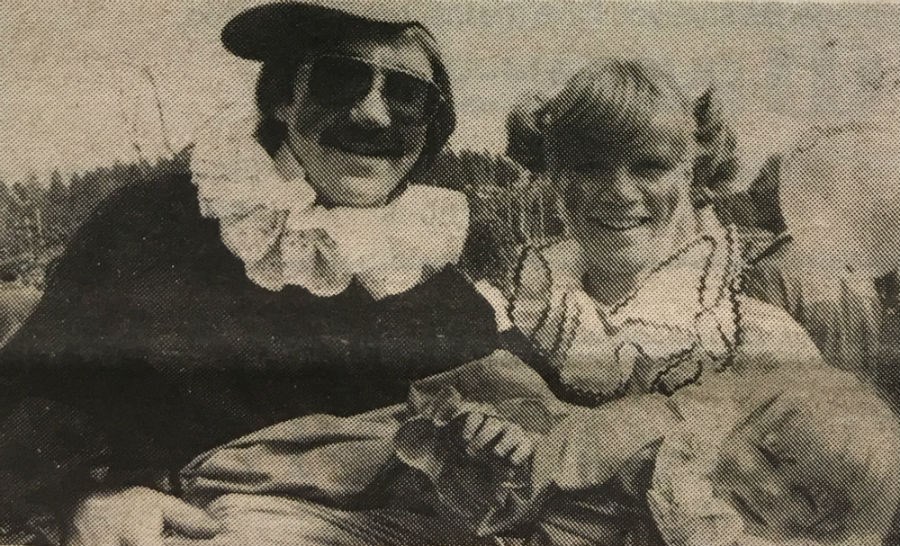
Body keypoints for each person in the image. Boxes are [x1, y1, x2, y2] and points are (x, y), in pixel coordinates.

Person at [0, 2, 500, 544]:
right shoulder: (155, 224)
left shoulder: (423, 266)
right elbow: (24, 394)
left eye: (405, 95)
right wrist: (83, 498)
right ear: (283, 99)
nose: (373, 116)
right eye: (340, 79)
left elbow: (508, 410)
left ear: (430, 127)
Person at [490, 58, 822, 408]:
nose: (621, 192)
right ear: (558, 178)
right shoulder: (509, 324)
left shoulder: (759, 340)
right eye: (591, 168)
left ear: (688, 174)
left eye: (649, 167)